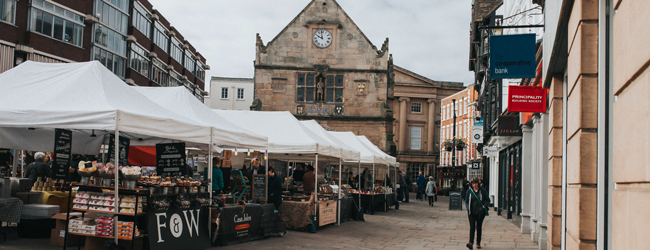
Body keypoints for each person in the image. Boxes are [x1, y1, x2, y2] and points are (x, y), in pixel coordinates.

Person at [465, 177, 490, 249]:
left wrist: (484, 206)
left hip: (480, 212)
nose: (474, 185)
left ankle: (478, 242)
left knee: (479, 227)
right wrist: (467, 208)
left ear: (478, 183)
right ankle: (470, 243)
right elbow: (466, 201)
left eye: (475, 183)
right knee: (472, 227)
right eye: (473, 183)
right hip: (471, 212)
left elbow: (488, 200)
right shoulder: (469, 191)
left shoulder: (482, 190)